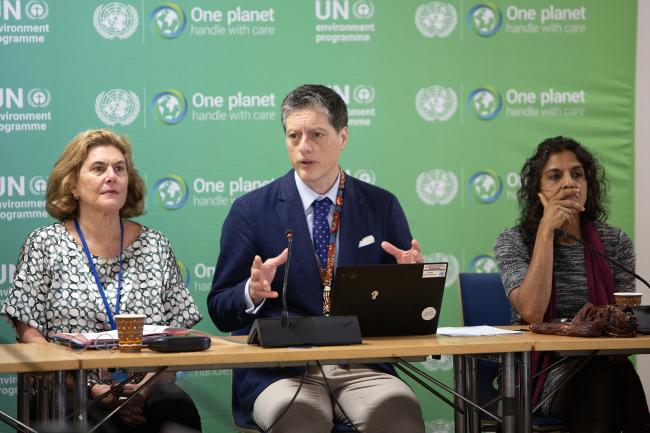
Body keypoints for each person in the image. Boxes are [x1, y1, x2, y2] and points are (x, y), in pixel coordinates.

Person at [208, 84, 425, 433]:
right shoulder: (251, 211)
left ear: (343, 136)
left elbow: (406, 317)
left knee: (399, 417)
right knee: (300, 422)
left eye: (317, 134)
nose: (303, 146)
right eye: (294, 135)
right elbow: (219, 308)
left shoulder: (381, 205)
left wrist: (411, 284)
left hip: (360, 364)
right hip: (278, 369)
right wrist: (250, 291)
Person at [1, 129, 203, 433]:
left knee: (178, 421)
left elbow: (179, 336)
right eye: (99, 168)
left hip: (148, 385)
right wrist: (89, 387)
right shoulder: (44, 244)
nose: (112, 176)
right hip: (67, 387)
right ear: (73, 185)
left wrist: (141, 390)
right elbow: (30, 335)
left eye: (119, 168)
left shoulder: (155, 245)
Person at [494, 136, 650, 433]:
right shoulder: (513, 241)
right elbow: (532, 312)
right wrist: (545, 232)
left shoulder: (614, 242)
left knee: (607, 376)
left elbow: (624, 325)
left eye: (577, 174)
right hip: (535, 373)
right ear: (537, 191)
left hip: (602, 365)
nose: (569, 183)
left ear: (588, 185)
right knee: (607, 382)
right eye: (555, 176)